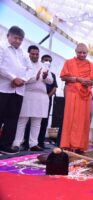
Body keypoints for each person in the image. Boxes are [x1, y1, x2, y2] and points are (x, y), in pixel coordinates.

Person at [13, 45, 53, 151]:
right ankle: (17, 143)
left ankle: (33, 144)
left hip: (41, 96)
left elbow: (51, 80)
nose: (35, 56)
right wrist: (35, 77)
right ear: (28, 54)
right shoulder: (24, 64)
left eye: (37, 54)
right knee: (22, 120)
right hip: (28, 94)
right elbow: (22, 79)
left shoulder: (44, 65)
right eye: (33, 54)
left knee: (37, 121)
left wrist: (45, 77)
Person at [0, 26, 33, 154]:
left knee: (12, 119)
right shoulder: (2, 47)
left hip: (18, 91)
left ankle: (5, 145)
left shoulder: (24, 53)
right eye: (15, 38)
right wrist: (13, 78)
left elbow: (30, 69)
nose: (18, 41)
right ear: (8, 36)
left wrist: (22, 80)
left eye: (20, 39)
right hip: (2, 89)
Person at [60, 43, 93, 154]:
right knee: (70, 118)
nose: (82, 54)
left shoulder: (91, 65)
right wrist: (78, 79)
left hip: (85, 95)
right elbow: (63, 77)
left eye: (84, 53)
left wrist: (89, 82)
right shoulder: (69, 62)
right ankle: (67, 144)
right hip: (72, 93)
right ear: (75, 52)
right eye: (80, 52)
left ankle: (80, 146)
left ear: (87, 53)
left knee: (83, 120)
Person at [22, 54, 58, 150]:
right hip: (31, 97)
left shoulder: (52, 74)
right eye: (46, 60)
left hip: (45, 99)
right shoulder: (31, 68)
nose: (48, 62)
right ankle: (25, 142)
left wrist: (47, 96)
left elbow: (54, 87)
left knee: (42, 121)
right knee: (27, 120)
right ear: (41, 60)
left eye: (50, 60)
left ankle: (39, 142)